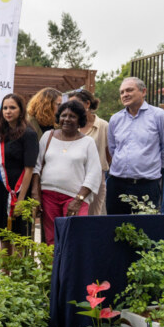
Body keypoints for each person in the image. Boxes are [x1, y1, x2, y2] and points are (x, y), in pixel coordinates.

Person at [31, 100, 101, 245]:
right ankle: (54, 261)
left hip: (75, 198)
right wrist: (36, 194)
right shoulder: (48, 136)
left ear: (80, 120)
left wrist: (78, 200)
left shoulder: (88, 142)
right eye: (64, 115)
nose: (67, 119)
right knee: (51, 240)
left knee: (75, 238)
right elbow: (36, 167)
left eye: (72, 116)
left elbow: (94, 173)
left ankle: (72, 262)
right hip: (48, 196)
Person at [107, 77, 164, 215]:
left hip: (147, 184)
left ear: (143, 92)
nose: (125, 94)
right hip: (117, 183)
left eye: (129, 90)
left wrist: (152, 166)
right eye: (122, 92)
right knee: (115, 224)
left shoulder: (159, 116)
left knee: (145, 225)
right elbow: (113, 149)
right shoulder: (115, 119)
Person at [0, 93, 38, 255]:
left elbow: (29, 168)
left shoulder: (29, 134)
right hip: (1, 189)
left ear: (21, 110)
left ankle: (18, 268)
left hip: (19, 189)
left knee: (19, 235)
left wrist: (21, 199)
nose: (8, 111)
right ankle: (5, 268)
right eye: (5, 108)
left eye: (12, 107)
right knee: (3, 234)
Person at [69, 88, 110, 215]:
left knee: (93, 215)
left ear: (87, 104)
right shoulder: (70, 125)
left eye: (75, 104)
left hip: (96, 179)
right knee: (72, 214)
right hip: (72, 177)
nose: (72, 108)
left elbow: (109, 154)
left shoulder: (103, 125)